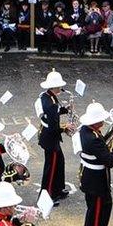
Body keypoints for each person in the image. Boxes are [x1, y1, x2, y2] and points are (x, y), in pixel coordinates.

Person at [35, 70, 72, 204]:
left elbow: (54, 113)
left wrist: (64, 110)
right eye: (59, 87)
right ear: (54, 87)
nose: (61, 89)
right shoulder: (51, 103)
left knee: (59, 162)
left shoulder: (48, 96)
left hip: (49, 137)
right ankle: (49, 195)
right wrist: (65, 127)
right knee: (51, 168)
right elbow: (53, 127)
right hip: (50, 138)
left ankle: (58, 189)